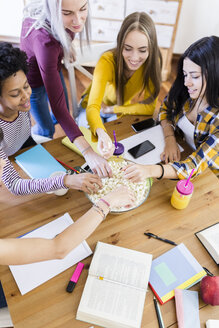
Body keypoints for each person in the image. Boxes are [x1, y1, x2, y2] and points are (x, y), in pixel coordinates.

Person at [20, 0, 112, 177]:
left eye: (83, 9)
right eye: (67, 13)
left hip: (53, 65)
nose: (78, 20)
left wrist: (66, 48)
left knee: (63, 112)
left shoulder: (61, 24)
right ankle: (36, 141)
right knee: (47, 128)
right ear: (52, 10)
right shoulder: (45, 43)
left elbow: (61, 109)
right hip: (33, 83)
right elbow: (58, 108)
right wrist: (88, 152)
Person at [0, 42, 103, 195]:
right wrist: (65, 181)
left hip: (25, 145)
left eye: (26, 86)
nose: (26, 96)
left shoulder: (19, 105)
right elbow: (15, 185)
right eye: (15, 94)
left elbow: (60, 111)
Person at [122, 36, 219, 182]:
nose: (187, 82)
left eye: (195, 76)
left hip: (207, 177)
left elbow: (193, 166)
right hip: (180, 152)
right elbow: (165, 108)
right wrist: (169, 138)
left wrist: (148, 170)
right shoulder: (187, 90)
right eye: (185, 74)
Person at [77, 11, 162, 158]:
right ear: (120, 43)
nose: (134, 58)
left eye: (142, 50)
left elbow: (149, 108)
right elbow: (93, 107)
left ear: (151, 48)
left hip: (115, 108)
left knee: (119, 142)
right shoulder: (107, 61)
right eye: (127, 48)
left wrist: (112, 109)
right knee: (87, 144)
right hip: (90, 106)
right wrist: (100, 131)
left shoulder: (152, 64)